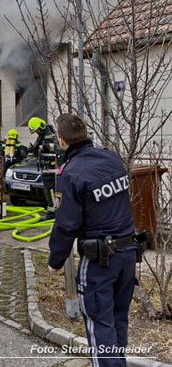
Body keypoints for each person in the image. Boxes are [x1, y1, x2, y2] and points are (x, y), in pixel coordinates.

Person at [48, 114, 138, 367]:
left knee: (100, 324)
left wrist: (55, 260)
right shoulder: (111, 158)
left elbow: (66, 224)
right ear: (85, 134)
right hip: (128, 252)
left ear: (61, 140)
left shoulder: (71, 173)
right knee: (118, 317)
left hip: (100, 260)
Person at [28, 117, 58, 220]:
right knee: (48, 189)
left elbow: (56, 146)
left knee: (50, 189)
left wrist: (43, 147)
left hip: (50, 167)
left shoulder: (49, 133)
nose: (37, 132)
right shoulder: (43, 134)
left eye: (37, 130)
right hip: (46, 166)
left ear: (41, 126)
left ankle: (53, 214)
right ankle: (51, 211)